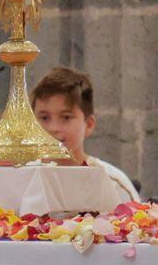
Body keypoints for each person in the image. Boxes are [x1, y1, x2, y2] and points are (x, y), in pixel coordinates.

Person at [30, 66, 139, 201]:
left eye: (66, 117)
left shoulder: (112, 184)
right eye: (44, 118)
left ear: (89, 125)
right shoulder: (19, 179)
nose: (53, 128)